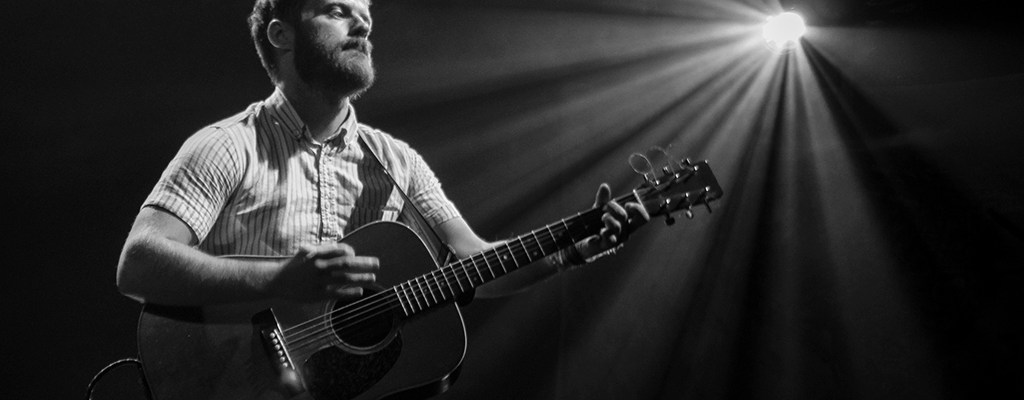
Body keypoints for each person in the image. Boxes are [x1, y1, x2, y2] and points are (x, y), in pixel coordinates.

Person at [116, 0, 650, 306]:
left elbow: (471, 259)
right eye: (337, 10)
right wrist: (279, 281)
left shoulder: (398, 162)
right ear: (282, 33)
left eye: (365, 11)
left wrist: (570, 248)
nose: (364, 23)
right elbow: (137, 265)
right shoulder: (227, 145)